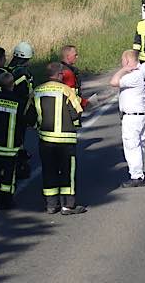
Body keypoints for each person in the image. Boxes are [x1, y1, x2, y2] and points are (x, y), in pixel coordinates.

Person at [34, 62, 87, 215]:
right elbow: (76, 112)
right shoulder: (66, 90)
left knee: (48, 171)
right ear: (60, 75)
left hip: (46, 140)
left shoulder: (38, 91)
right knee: (67, 172)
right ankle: (68, 205)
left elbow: (30, 116)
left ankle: (51, 205)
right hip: (65, 140)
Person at [0, 72, 36, 210]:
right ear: (13, 85)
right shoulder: (19, 103)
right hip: (10, 149)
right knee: (8, 177)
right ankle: (5, 202)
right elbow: (30, 121)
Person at [110, 50, 145, 188]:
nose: (121, 63)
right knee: (139, 145)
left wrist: (124, 70)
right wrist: (141, 63)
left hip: (132, 117)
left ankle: (136, 176)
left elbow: (113, 82)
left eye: (123, 61)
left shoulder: (133, 76)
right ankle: (139, 172)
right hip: (142, 115)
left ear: (128, 61)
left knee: (132, 146)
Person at [7, 41, 35, 179]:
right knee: (18, 139)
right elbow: (25, 94)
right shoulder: (23, 74)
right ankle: (18, 166)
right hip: (20, 111)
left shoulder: (8, 69)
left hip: (10, 109)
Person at [60, 45, 89, 109]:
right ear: (68, 56)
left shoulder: (59, 69)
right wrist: (84, 102)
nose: (77, 57)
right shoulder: (67, 73)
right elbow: (71, 95)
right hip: (70, 108)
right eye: (75, 55)